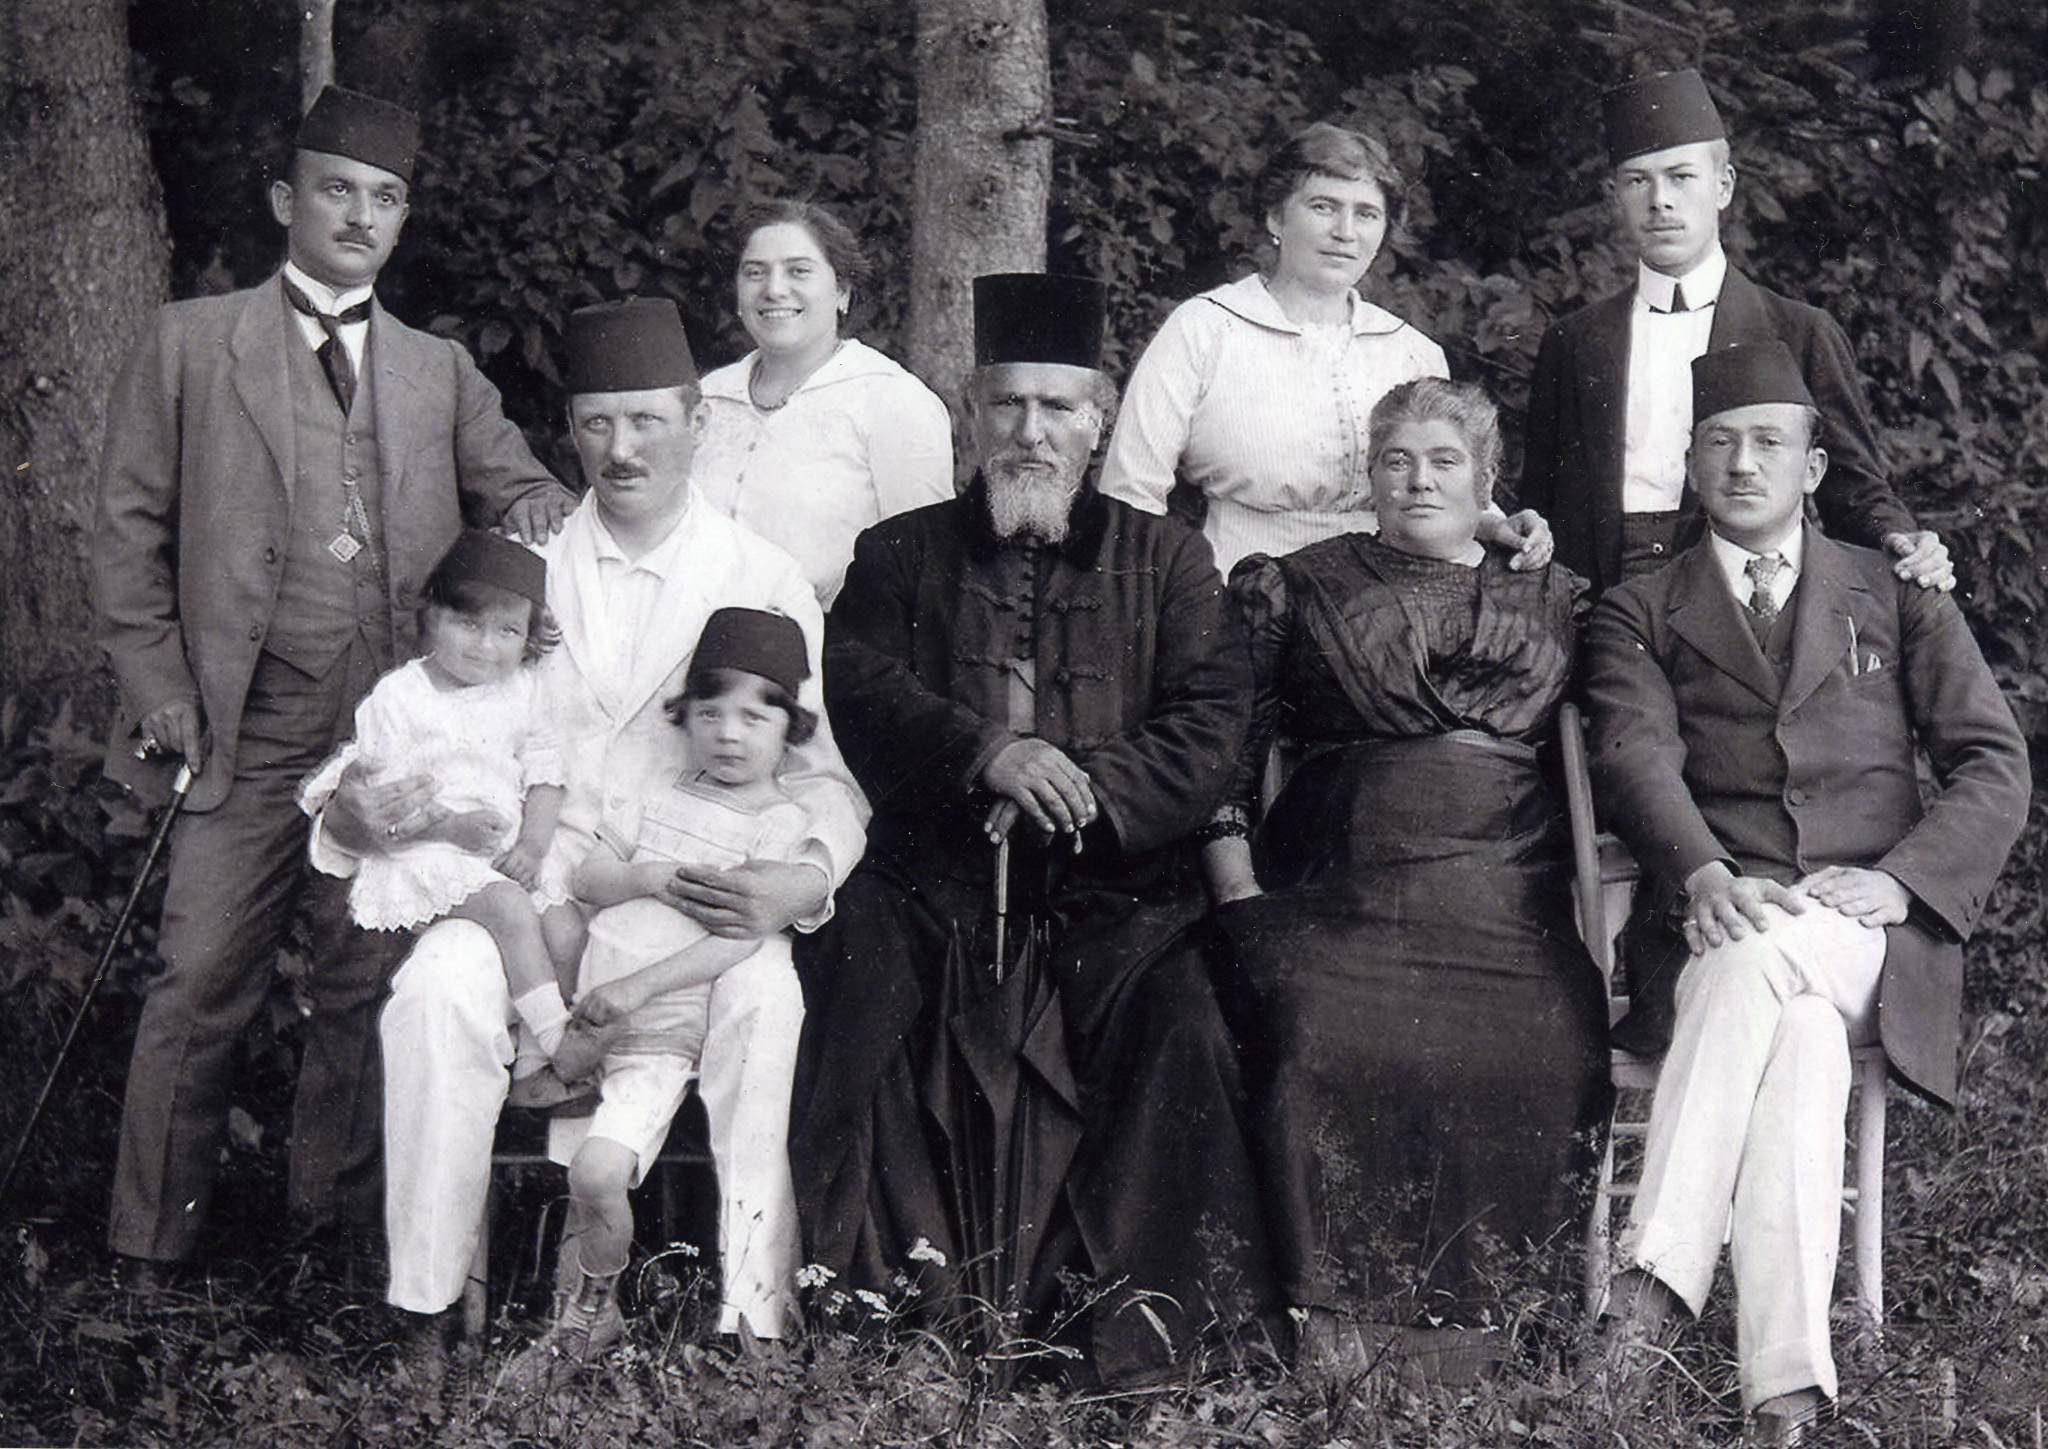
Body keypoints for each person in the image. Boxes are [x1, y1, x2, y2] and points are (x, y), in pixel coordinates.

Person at [313, 297, 868, 1390]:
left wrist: (802, 878)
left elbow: (826, 778)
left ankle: (755, 1315)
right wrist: (346, 816)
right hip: (537, 890)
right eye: (598, 422)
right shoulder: (522, 572)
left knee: (767, 996)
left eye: (648, 420)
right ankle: (428, 1304)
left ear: (695, 421)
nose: (623, 449)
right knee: (434, 989)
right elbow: (415, 726)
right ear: (568, 429)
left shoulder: (760, 576)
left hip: (694, 903)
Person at [90, 85, 573, 1289]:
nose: (361, 215)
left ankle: (334, 1249)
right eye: (337, 190)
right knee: (199, 977)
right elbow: (126, 533)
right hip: (243, 727)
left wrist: (552, 527)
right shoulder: (189, 344)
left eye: (386, 198)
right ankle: (147, 1253)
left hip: (400, 738)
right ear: (284, 199)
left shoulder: (439, 370)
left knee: (367, 982)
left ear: (402, 220)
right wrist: (157, 681)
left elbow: (521, 491)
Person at [795, 273, 1273, 1383]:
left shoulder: (1169, 558)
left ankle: (1131, 1345)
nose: (1030, 430)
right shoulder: (897, 552)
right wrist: (985, 754)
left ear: (1097, 420)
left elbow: (1210, 721)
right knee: (863, 998)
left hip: (1119, 894)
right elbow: (859, 685)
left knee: (1183, 1025)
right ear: (972, 412)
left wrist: (1079, 789)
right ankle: (899, 1332)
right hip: (934, 884)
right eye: (1007, 403)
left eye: (1057, 407)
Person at [1582, 342, 2028, 1445]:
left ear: (1813, 466)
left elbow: (1991, 760)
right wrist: (1701, 869)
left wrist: (1901, 880)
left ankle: (1646, 1293)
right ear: (1691, 464)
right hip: (1711, 924)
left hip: (1868, 931)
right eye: (1721, 443)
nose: (1744, 464)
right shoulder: (1638, 607)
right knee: (1798, 1035)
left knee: (1766, 961)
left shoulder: (1895, 590)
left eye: (1769, 443)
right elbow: (1634, 754)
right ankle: (1784, 1386)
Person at [1202, 378, 1609, 1372]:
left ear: (1485, 478)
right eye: (1396, 460)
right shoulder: (1294, 585)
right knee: (1315, 1032)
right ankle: (1333, 1334)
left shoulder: (1557, 593)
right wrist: (1237, 893)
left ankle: (1499, 1336)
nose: (1419, 480)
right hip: (1341, 880)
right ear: (1369, 475)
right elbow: (1227, 757)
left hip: (1507, 888)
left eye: (1443, 461)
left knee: (1548, 1045)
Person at [504, 607, 821, 1386]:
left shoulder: (779, 824)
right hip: (592, 1020)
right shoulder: (655, 795)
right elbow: (589, 877)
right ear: (685, 718)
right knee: (585, 1161)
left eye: (755, 716)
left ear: (791, 727)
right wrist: (646, 875)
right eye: (709, 712)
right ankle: (586, 1307)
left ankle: (594, 1309)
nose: (728, 733)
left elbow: (738, 938)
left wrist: (636, 986)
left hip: (660, 1033)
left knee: (597, 1170)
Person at [1520, 68, 1951, 596]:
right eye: (1637, 181)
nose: (1660, 200)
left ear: (1723, 186)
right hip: (1596, 601)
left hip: (1737, 597)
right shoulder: (1572, 342)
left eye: (1681, 177)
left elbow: (1853, 489)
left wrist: (1903, 541)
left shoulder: (1798, 331)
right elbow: (1539, 503)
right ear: (1615, 197)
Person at [1100, 121, 1550, 576]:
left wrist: (1497, 525)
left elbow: (1441, 486)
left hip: (1388, 594)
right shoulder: (1205, 328)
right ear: (1275, 217)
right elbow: (1131, 493)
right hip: (1240, 586)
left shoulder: (1411, 351)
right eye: (1323, 207)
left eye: (1366, 214)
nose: (1345, 232)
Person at [298, 529, 599, 1096]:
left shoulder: (524, 690)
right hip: (425, 851)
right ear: (433, 617)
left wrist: (533, 848)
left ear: (529, 638)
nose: (486, 646)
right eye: (469, 624)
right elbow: (385, 796)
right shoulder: (400, 697)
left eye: (508, 631)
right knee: (511, 910)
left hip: (500, 852)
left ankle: (532, 1068)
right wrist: (452, 827)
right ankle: (558, 1038)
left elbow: (546, 774)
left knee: (564, 929)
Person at [693, 199, 954, 605]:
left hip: (832, 640)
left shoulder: (892, 401)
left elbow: (927, 571)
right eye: (755, 272)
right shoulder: (707, 397)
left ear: (842, 291)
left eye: (799, 270)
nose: (774, 289)